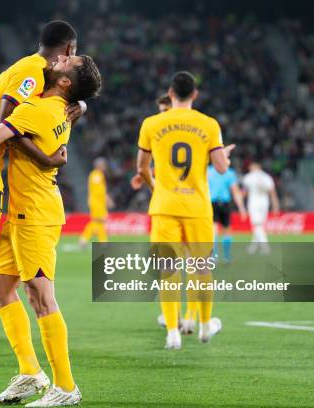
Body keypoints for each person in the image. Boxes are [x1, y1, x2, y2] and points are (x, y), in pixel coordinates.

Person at [0, 54, 101, 407]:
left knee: (42, 297)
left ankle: (66, 387)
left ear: (65, 82)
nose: (60, 59)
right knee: (0, 290)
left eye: (67, 60)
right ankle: (30, 371)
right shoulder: (59, 110)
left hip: (36, 215)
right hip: (22, 212)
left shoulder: (38, 111)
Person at [135, 71, 232, 350]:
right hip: (198, 207)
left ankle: (172, 333)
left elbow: (141, 166)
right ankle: (203, 326)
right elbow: (222, 167)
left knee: (167, 270)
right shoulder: (209, 124)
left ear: (171, 92)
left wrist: (155, 187)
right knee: (201, 268)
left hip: (165, 206)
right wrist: (224, 153)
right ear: (195, 94)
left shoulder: (151, 123)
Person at [209, 165, 247, 263]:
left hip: (211, 203)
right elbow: (235, 191)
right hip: (224, 203)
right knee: (227, 230)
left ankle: (214, 257)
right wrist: (242, 208)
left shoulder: (207, 171)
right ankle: (226, 257)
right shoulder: (229, 172)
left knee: (214, 230)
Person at [243, 161, 279, 254]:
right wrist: (275, 204)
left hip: (254, 202)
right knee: (259, 225)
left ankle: (265, 246)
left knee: (257, 225)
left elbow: (244, 192)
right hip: (264, 203)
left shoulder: (248, 177)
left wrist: (239, 201)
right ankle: (253, 246)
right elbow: (272, 192)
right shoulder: (267, 177)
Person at [79, 157, 113, 246]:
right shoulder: (97, 175)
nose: (104, 167)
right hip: (97, 202)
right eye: (103, 165)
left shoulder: (95, 175)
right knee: (98, 220)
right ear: (99, 166)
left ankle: (102, 241)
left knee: (99, 222)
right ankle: (84, 239)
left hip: (97, 202)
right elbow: (99, 191)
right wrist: (107, 199)